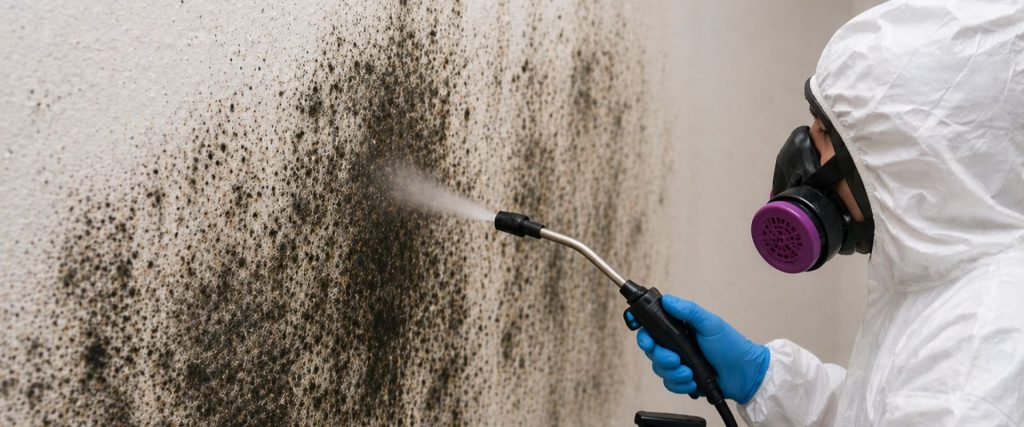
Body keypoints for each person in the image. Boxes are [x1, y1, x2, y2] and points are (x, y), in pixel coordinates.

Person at [637, 1, 1024, 425]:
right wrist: (763, 380)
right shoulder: (943, 287)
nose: (802, 151)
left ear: (902, 161)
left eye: (822, 132)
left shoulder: (982, 345)